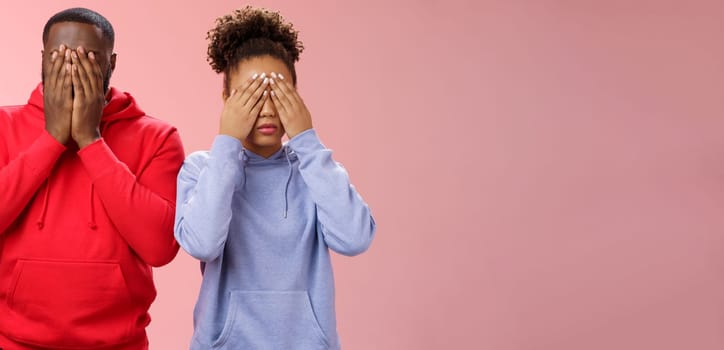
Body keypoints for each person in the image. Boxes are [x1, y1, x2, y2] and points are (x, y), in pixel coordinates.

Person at [174, 6, 376, 350]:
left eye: (278, 94)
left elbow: (354, 239)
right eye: (251, 96)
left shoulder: (315, 171)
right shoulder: (203, 169)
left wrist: (307, 140)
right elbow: (202, 243)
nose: (266, 109)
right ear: (226, 100)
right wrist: (227, 143)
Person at [0, 7, 185, 349]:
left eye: (87, 57)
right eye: (59, 56)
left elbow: (159, 247)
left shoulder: (157, 137)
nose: (72, 68)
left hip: (119, 342)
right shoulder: (4, 126)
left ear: (111, 64)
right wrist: (52, 139)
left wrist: (90, 140)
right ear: (42, 59)